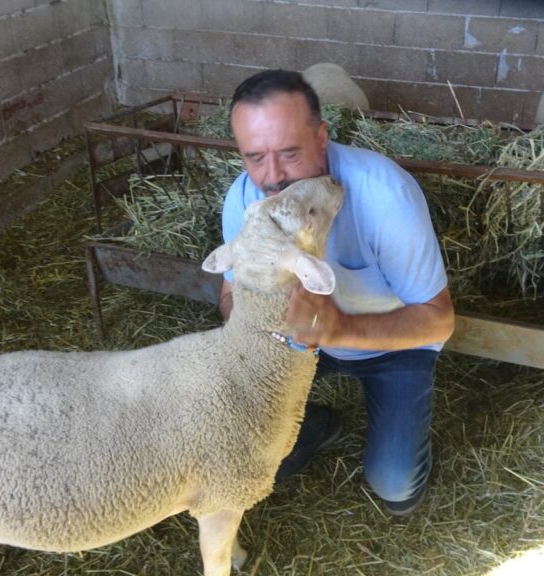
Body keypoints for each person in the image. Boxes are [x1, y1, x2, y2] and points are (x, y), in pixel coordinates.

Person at [218, 69, 455, 516]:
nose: (273, 177)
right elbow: (232, 292)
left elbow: (439, 319)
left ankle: (405, 458)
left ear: (322, 137)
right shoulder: (246, 199)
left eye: (290, 153)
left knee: (395, 484)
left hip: (394, 342)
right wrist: (248, 334)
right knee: (249, 443)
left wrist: (338, 328)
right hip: (298, 343)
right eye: (254, 157)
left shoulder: (385, 195)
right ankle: (313, 428)